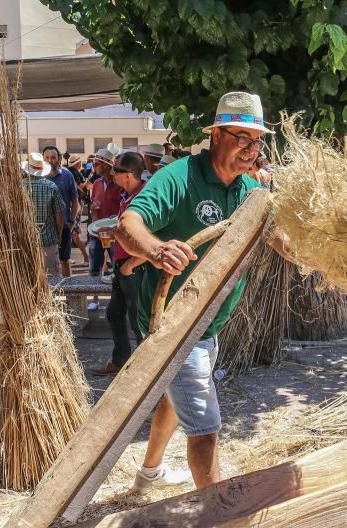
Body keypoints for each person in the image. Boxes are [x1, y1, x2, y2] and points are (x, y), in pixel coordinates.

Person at [115, 91, 292, 491]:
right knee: (206, 426)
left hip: (210, 322)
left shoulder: (251, 192)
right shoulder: (179, 178)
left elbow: (279, 240)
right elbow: (129, 224)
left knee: (173, 399)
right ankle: (216, 514)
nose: (251, 149)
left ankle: (148, 475)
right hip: (174, 323)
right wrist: (157, 250)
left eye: (257, 140)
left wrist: (322, 257)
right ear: (215, 135)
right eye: (240, 138)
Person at [96, 151, 149, 375]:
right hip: (123, 263)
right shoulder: (127, 193)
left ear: (127, 174)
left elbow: (153, 235)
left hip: (134, 266)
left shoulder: (145, 196)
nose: (111, 173)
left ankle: (146, 370)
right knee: (114, 313)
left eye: (115, 169)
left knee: (138, 319)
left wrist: (132, 264)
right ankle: (121, 362)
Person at [21, 153, 66, 277]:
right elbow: (59, 215)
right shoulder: (51, 186)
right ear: (42, 169)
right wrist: (59, 234)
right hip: (49, 241)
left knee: (28, 278)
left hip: (25, 241)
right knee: (51, 278)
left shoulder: (19, 187)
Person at [42, 146, 80, 277]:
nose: (50, 160)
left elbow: (75, 201)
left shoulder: (67, 175)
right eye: (46, 157)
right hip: (44, 228)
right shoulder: (38, 176)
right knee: (43, 262)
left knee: (65, 259)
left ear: (58, 158)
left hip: (64, 225)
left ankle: (70, 294)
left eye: (53, 157)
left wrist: (72, 220)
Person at [88, 147, 123, 288]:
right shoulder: (96, 183)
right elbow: (94, 203)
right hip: (96, 231)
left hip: (113, 232)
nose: (93, 167)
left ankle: (115, 296)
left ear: (106, 165)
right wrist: (93, 207)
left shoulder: (119, 184)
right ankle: (94, 298)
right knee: (94, 266)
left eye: (96, 164)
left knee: (117, 265)